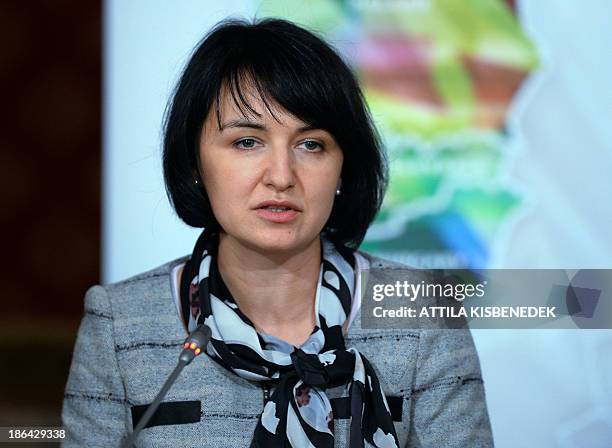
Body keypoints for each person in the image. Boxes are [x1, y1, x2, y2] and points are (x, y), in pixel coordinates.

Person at [61, 17, 494, 447]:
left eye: (311, 145)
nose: (281, 177)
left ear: (344, 167)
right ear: (194, 163)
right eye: (247, 142)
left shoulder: (425, 312)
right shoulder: (119, 324)